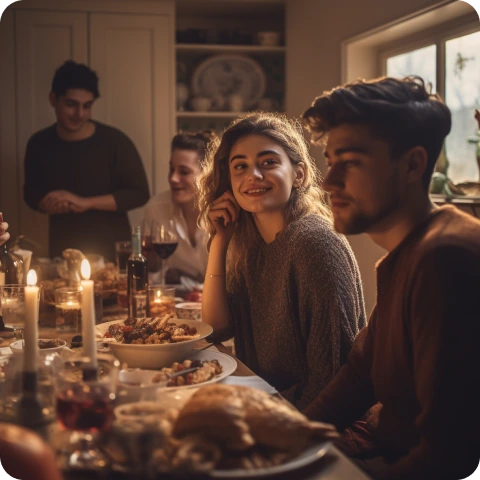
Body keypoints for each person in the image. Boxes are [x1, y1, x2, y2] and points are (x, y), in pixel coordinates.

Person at [301, 76, 480, 479]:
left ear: (413, 164)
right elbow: (359, 375)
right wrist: (291, 438)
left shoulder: (446, 259)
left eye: (350, 162)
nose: (328, 182)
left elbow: (449, 455)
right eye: (330, 161)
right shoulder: (410, 252)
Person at [198, 112, 366, 409]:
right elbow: (216, 328)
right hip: (265, 403)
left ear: (298, 174)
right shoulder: (249, 245)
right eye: (240, 166)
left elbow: (331, 380)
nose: (254, 175)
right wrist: (219, 241)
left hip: (310, 420)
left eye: (268, 162)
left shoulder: (314, 243)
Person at [23, 60, 150, 261]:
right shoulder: (39, 143)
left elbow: (139, 193)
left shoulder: (115, 141)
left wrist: (84, 203)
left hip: (112, 253)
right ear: (53, 99)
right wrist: (45, 203)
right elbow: (30, 194)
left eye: (87, 106)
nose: (79, 114)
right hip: (62, 251)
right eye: (71, 104)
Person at [142, 131, 215, 290]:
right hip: (179, 302)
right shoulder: (155, 209)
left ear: (207, 174)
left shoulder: (225, 211)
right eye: (171, 169)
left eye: (184, 172)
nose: (173, 178)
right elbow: (151, 274)